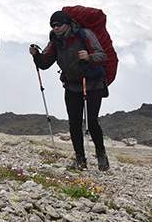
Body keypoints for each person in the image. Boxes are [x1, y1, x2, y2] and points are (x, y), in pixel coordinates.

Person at [30, 10, 110, 171]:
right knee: (74, 123)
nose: (56, 28)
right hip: (72, 86)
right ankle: (80, 159)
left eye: (59, 25)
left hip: (92, 84)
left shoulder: (84, 34)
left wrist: (89, 57)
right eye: (53, 26)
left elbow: (103, 56)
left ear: (67, 24)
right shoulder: (55, 41)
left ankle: (101, 155)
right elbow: (45, 63)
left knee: (92, 121)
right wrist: (36, 55)